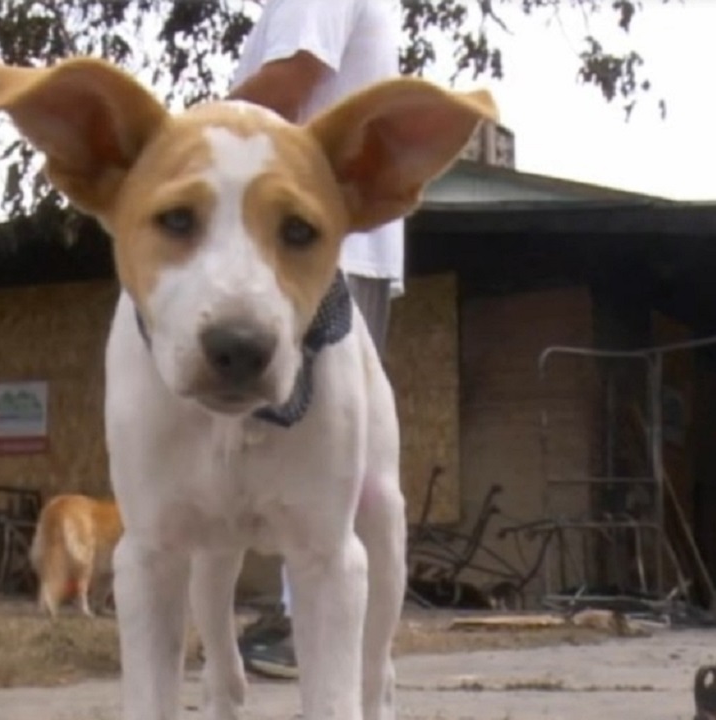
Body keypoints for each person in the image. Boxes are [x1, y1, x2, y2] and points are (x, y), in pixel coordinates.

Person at [226, 0, 405, 680]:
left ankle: (315, 632)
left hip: (311, 252)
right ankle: (333, 639)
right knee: (340, 459)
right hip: (329, 245)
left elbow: (288, 83)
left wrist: (174, 142)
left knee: (319, 456)